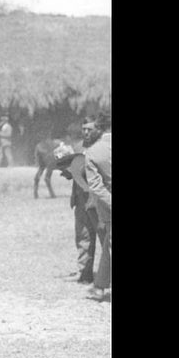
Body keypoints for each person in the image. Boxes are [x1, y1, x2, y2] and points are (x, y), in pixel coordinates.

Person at [56, 117, 101, 285]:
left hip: (98, 200)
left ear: (98, 129)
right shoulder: (78, 147)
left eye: (90, 129)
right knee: (83, 237)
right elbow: (73, 174)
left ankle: (106, 276)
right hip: (81, 201)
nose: (86, 132)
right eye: (84, 129)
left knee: (106, 239)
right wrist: (64, 166)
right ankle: (85, 273)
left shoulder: (104, 148)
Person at [83, 113, 111, 302]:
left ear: (99, 128)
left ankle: (99, 287)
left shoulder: (93, 152)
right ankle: (99, 286)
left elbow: (95, 186)